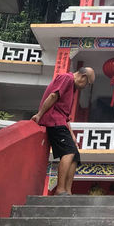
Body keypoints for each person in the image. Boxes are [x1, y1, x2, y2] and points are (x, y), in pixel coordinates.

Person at [31, 66, 95, 195]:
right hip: (53, 120)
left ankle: (68, 191)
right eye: (87, 84)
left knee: (75, 155)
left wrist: (72, 135)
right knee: (69, 153)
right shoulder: (67, 78)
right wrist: (39, 114)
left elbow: (65, 117)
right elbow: (53, 96)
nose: (85, 87)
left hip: (60, 122)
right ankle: (60, 189)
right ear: (83, 77)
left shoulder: (73, 88)